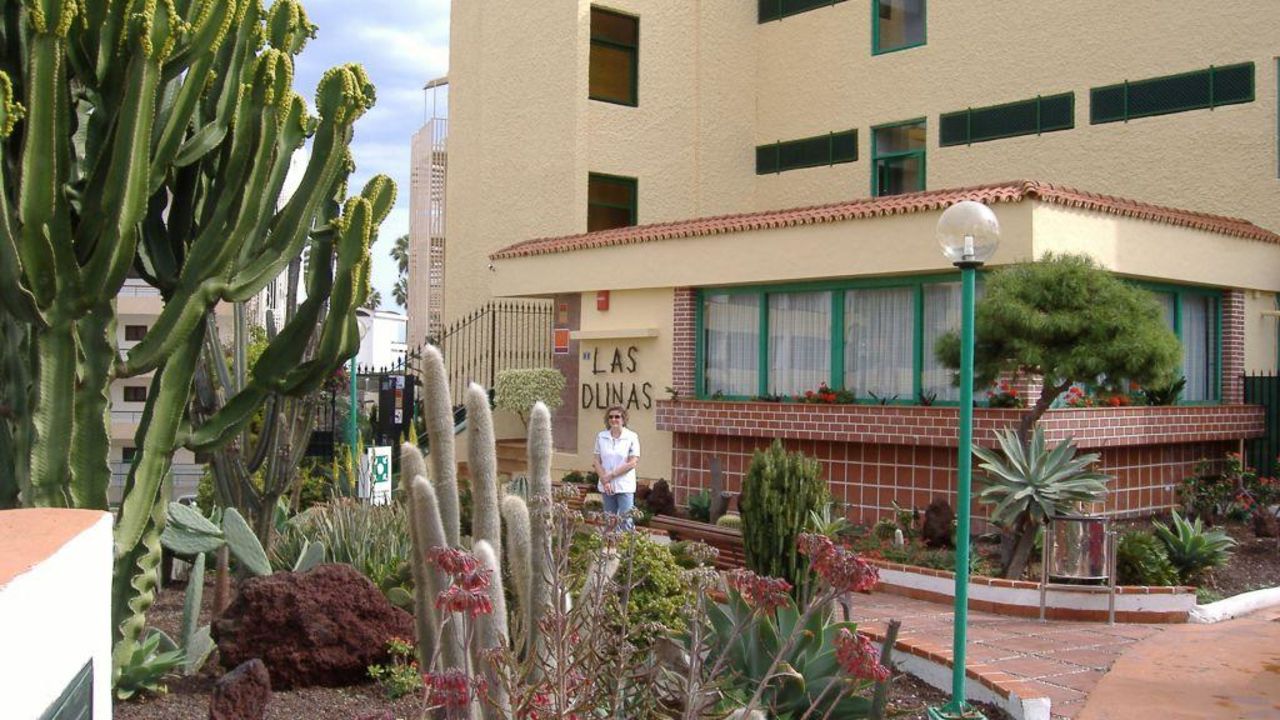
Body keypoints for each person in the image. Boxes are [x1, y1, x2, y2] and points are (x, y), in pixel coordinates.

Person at [592, 405, 640, 530]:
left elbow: (632, 462)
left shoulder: (631, 437)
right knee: (610, 521)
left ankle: (627, 543)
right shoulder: (601, 437)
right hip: (607, 486)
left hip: (624, 485)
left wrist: (611, 475)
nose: (614, 419)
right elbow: (597, 461)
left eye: (617, 417)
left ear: (623, 419)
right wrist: (605, 480)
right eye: (611, 417)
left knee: (626, 520)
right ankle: (610, 543)